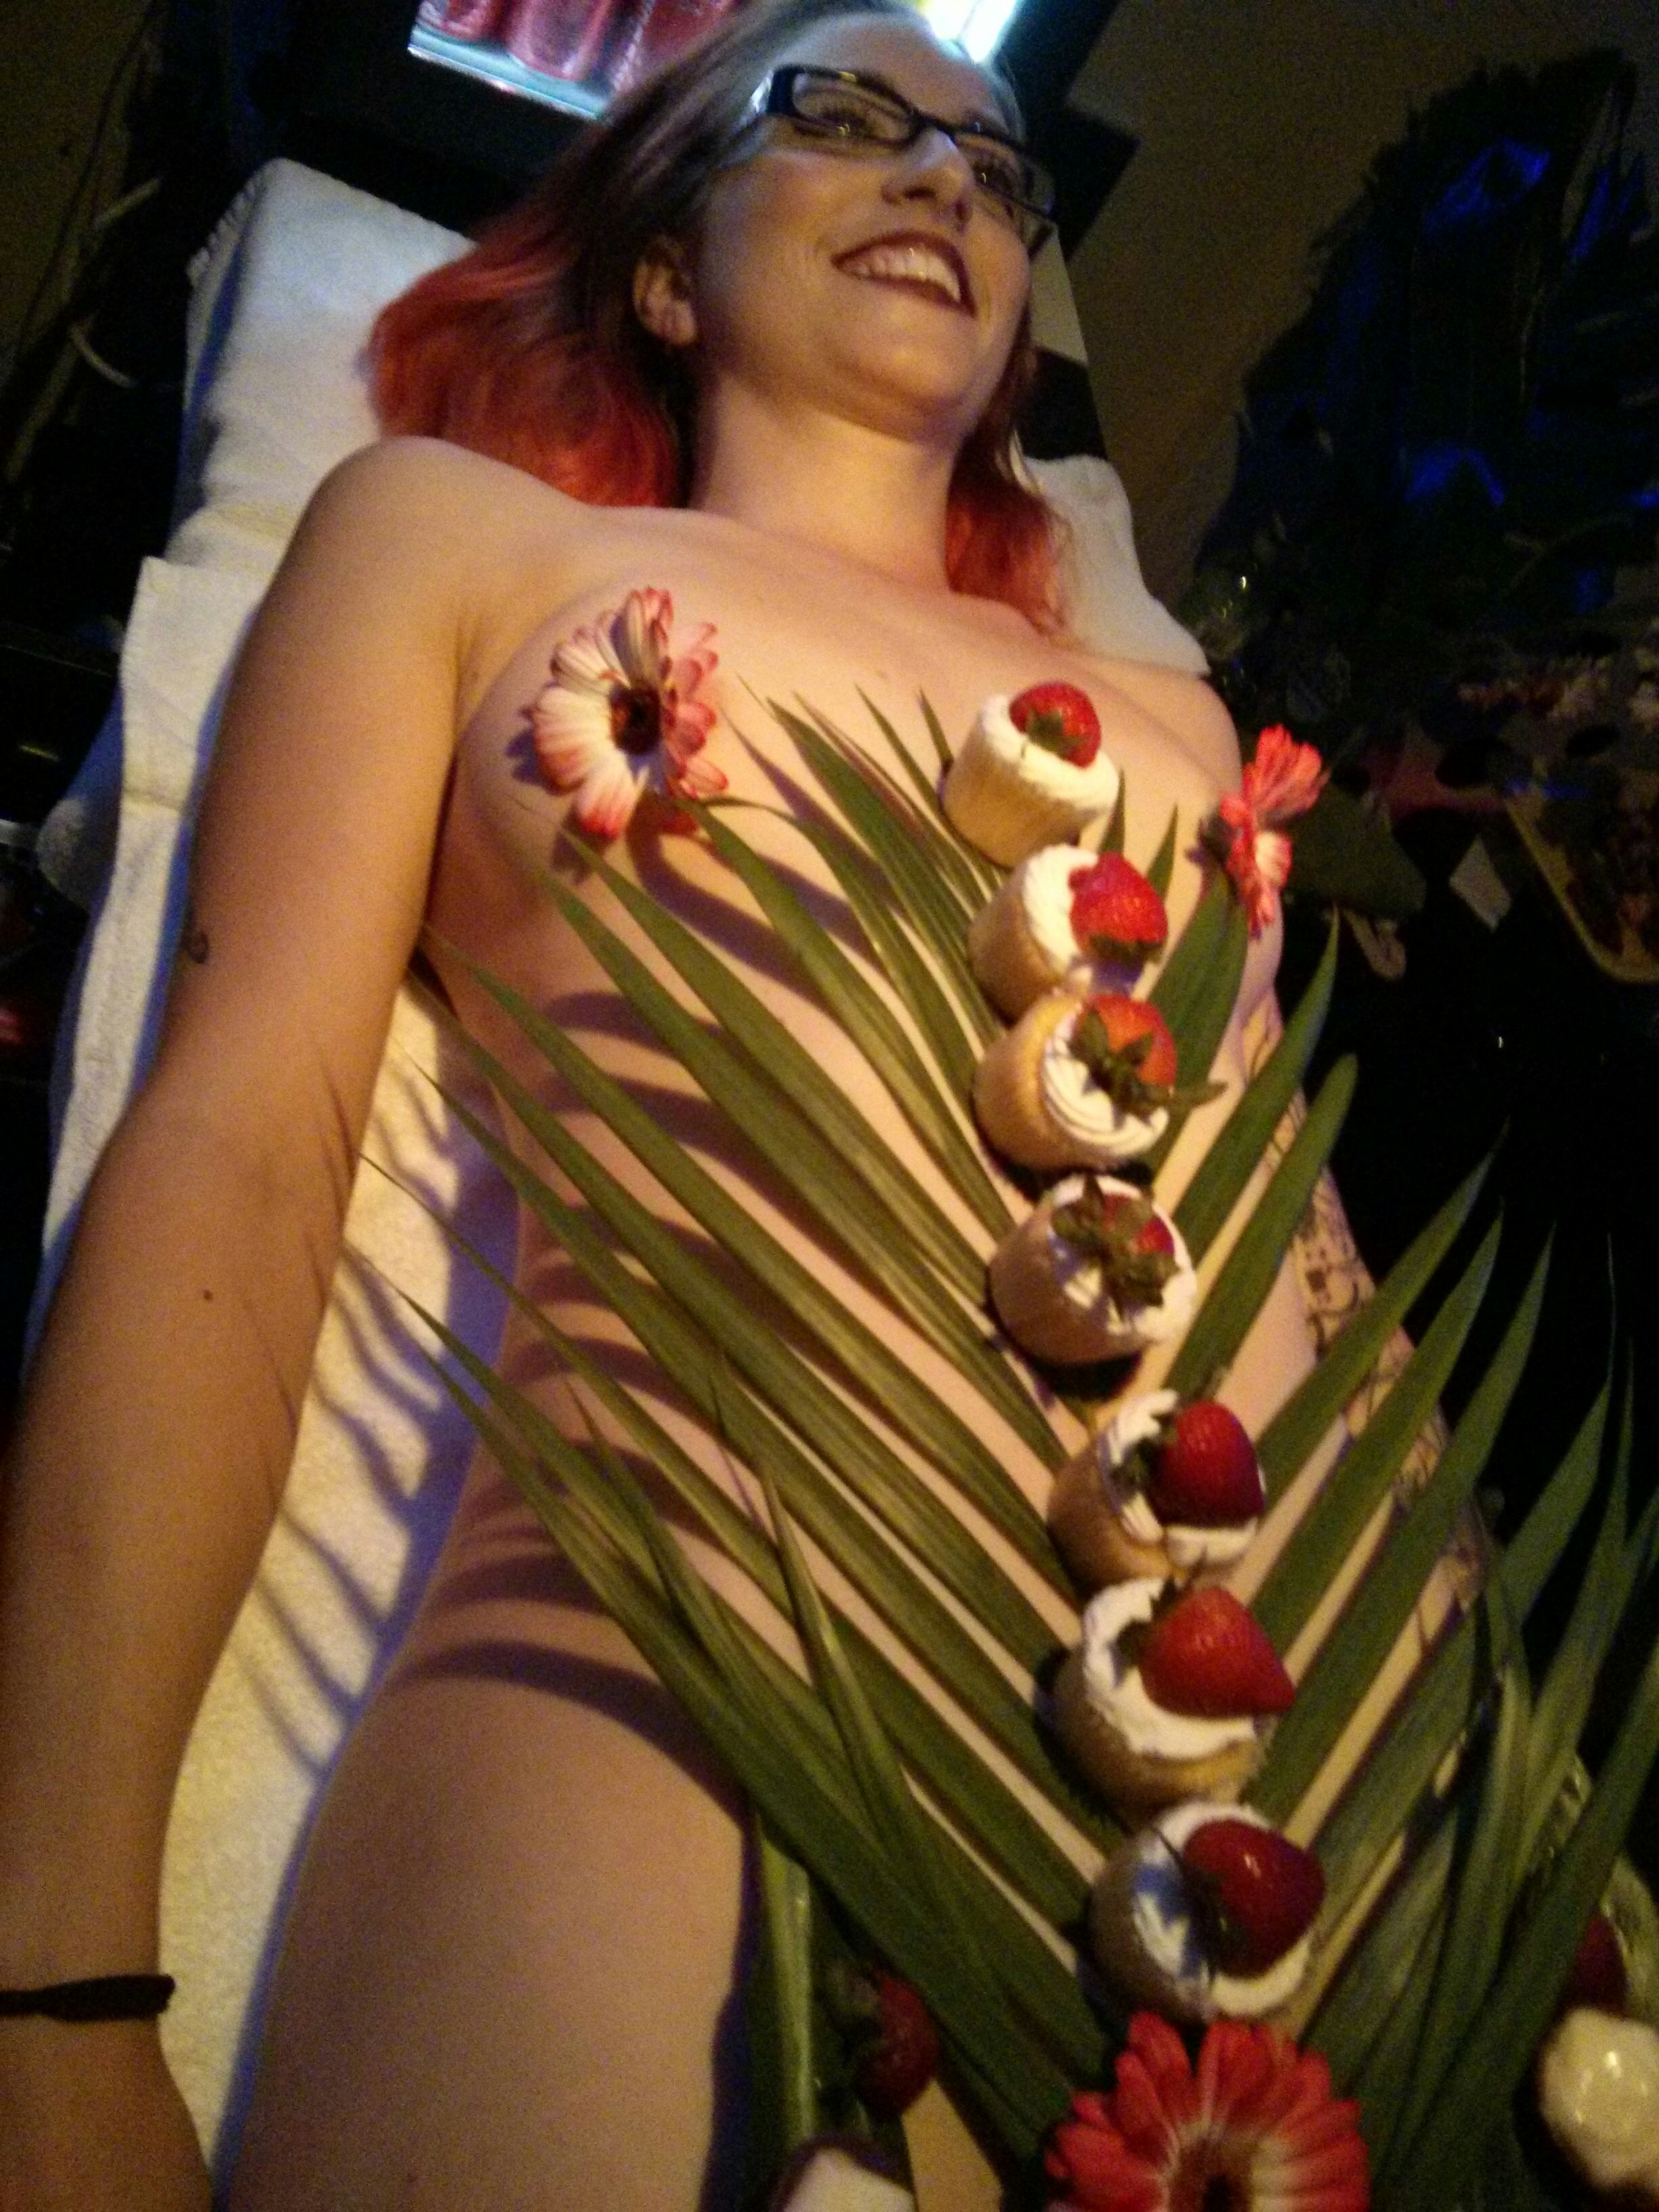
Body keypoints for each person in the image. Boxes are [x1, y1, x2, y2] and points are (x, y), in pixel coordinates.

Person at [0, 1, 1319, 2201]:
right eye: (846, 115)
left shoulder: (1172, 727)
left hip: (1321, 1743)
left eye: (999, 173)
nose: (946, 180)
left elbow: (1305, 1254)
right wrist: (50, 1980)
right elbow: (244, 1146)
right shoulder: (456, 548)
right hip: (712, 1708)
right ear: (665, 266)